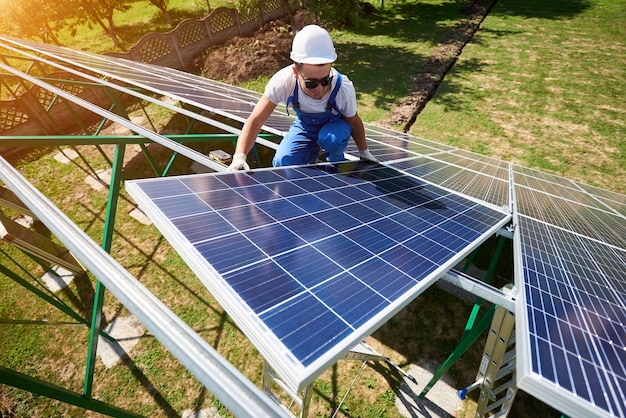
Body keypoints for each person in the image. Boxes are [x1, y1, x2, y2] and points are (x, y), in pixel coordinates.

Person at [228, 24, 377, 171]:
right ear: (295, 72)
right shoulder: (283, 82)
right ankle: (312, 155)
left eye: (325, 80)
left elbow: (354, 122)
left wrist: (364, 152)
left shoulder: (342, 87)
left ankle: (333, 161)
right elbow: (255, 121)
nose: (319, 88)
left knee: (331, 139)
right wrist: (239, 157)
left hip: (335, 128)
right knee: (282, 163)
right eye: (311, 83)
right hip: (306, 127)